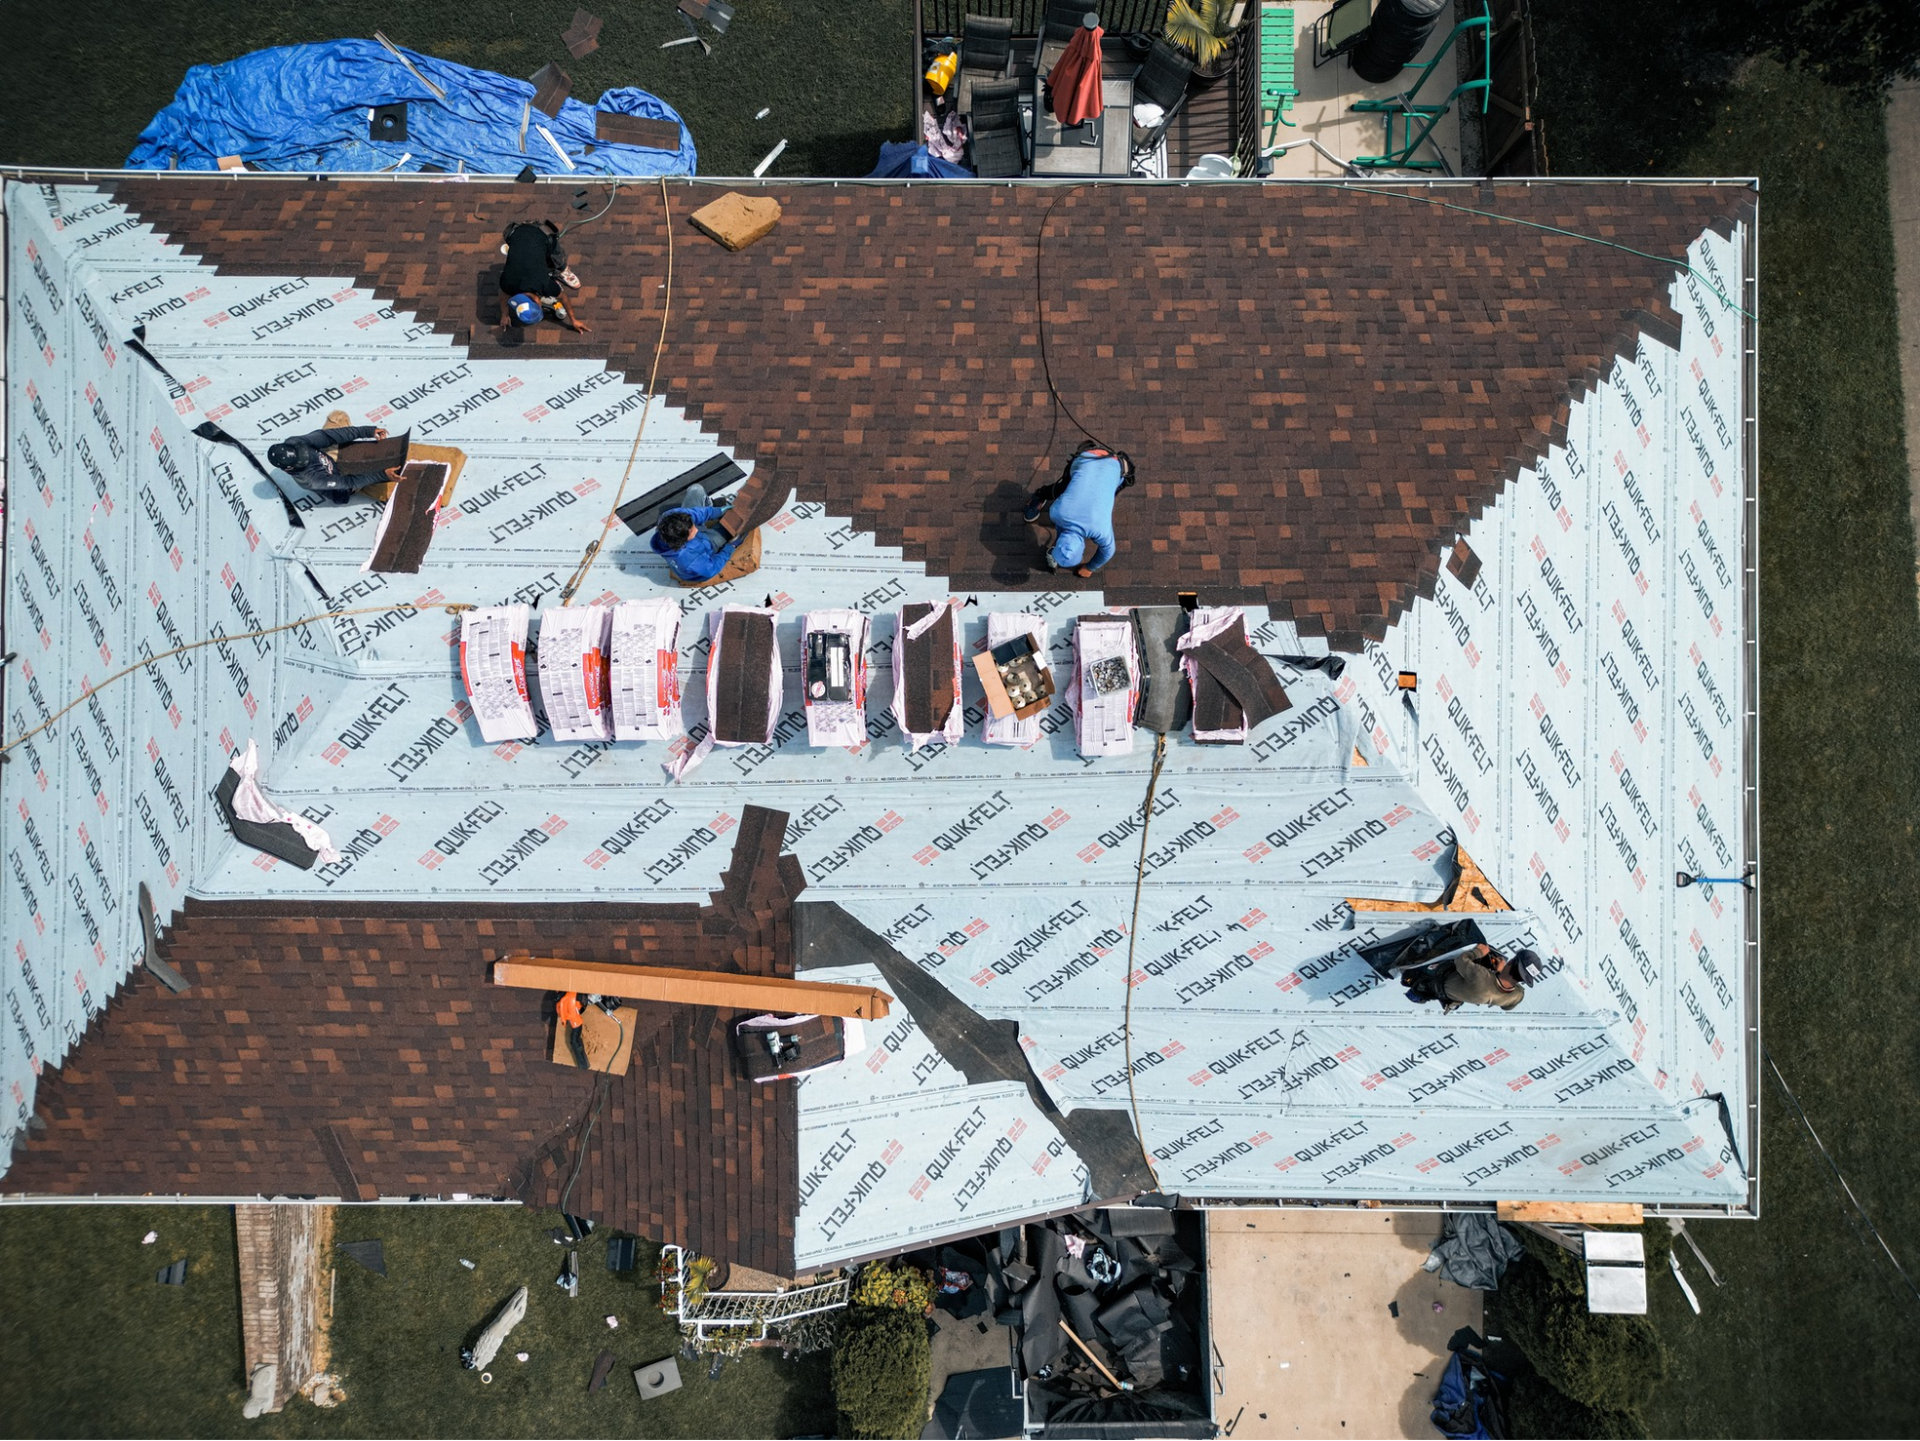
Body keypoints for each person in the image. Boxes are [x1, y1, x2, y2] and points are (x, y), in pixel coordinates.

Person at [1023, 443, 1133, 578]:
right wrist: (1089, 567)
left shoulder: (1100, 530)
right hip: (1089, 459)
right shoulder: (1057, 514)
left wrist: (1089, 568)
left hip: (1109, 463)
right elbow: (1107, 552)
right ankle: (1039, 497)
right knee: (1061, 490)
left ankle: (1039, 497)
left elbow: (1109, 551)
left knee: (1064, 489)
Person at [496, 219, 591, 334]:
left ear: (537, 300)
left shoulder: (544, 284)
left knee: (556, 258)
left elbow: (563, 298)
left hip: (541, 233)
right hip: (516, 232)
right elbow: (502, 295)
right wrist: (504, 315)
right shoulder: (507, 284)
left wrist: (574, 320)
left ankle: (562, 270)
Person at [266, 424, 391, 502]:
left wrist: (368, 431)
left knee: (337, 416)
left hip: (330, 458)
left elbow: (328, 436)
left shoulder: (295, 442)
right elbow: (348, 482)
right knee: (387, 484)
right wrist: (382, 475)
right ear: (288, 470)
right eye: (301, 462)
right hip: (343, 485)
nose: (306, 457)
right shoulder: (311, 480)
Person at [651, 483, 743, 584]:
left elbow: (695, 514)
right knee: (735, 526)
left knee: (696, 489)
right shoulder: (689, 561)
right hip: (708, 546)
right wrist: (730, 547)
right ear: (683, 541)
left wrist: (718, 511)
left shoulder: (670, 517)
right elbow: (712, 568)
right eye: (692, 530)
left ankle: (709, 504)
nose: (696, 528)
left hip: (697, 540)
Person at [1432, 945, 1544, 1011]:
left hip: (1440, 982)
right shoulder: (1517, 996)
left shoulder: (1480, 975)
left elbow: (1460, 960)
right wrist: (1500, 972)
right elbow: (1506, 1008)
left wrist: (1478, 952)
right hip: (1457, 996)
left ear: (1511, 962)